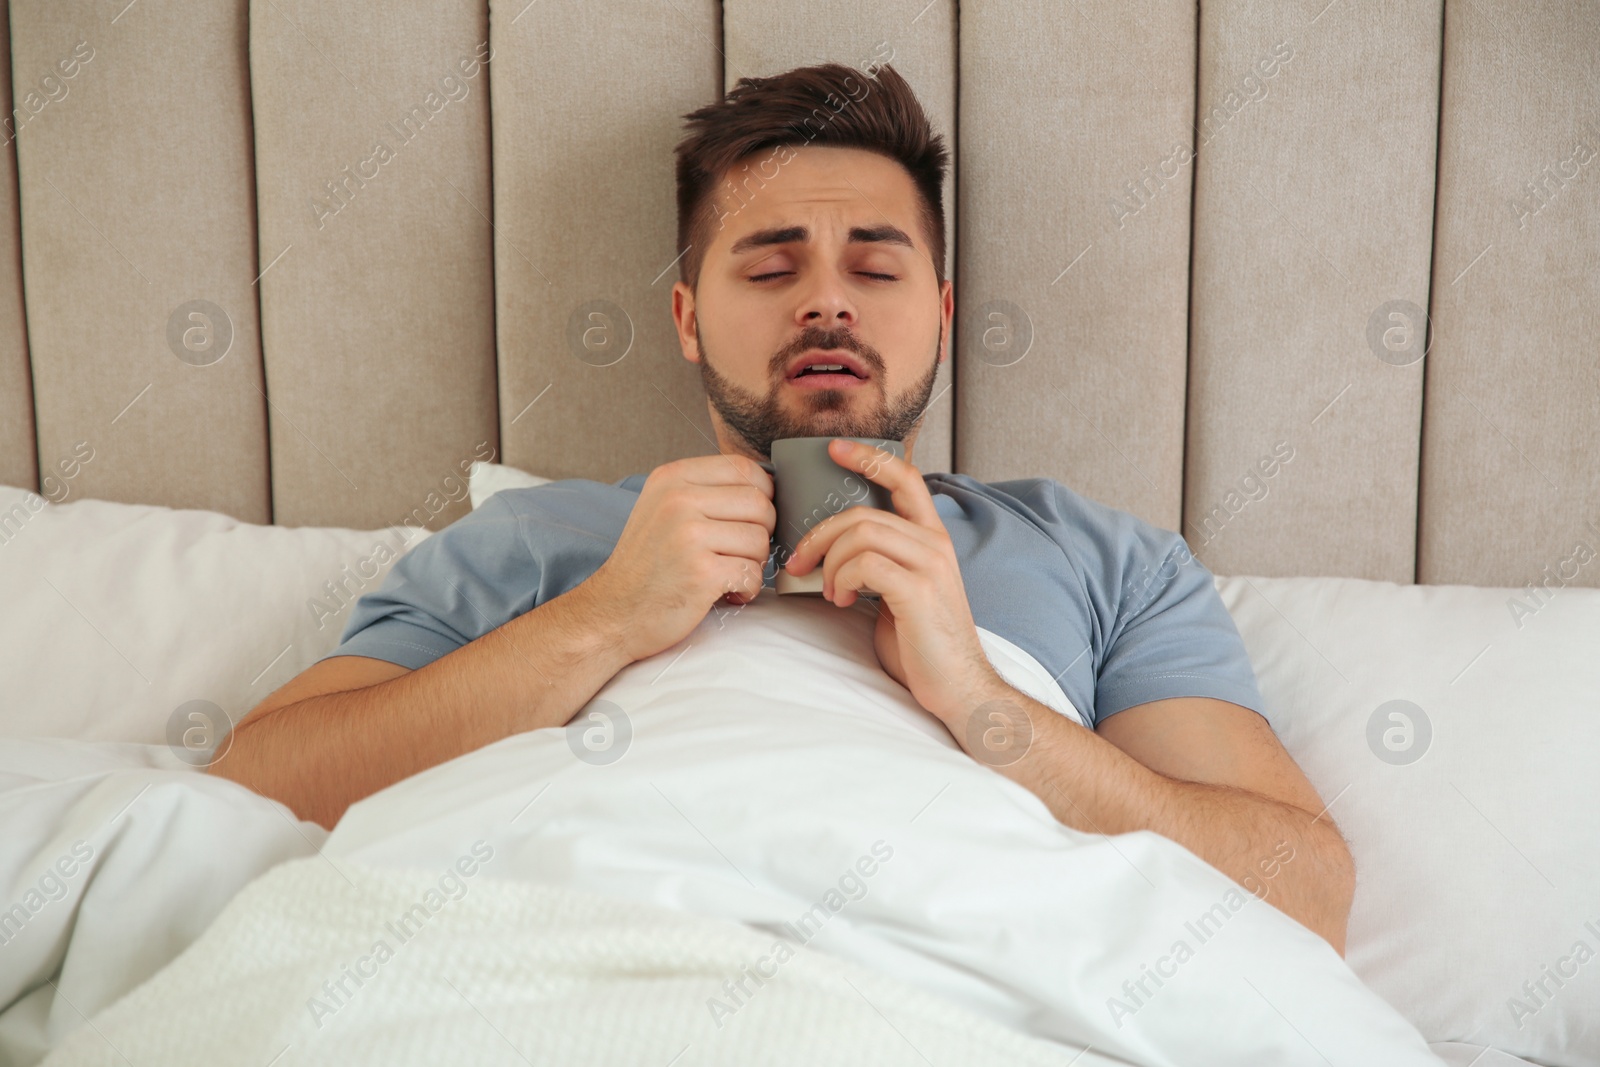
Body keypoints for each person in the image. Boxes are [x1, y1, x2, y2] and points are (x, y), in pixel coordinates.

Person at [210, 61, 1355, 956]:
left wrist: (977, 695)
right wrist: (604, 619)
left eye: (874, 266)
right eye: (768, 269)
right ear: (687, 320)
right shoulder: (530, 540)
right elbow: (254, 790)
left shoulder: (1102, 557)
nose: (824, 302)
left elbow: (1300, 896)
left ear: (941, 311)